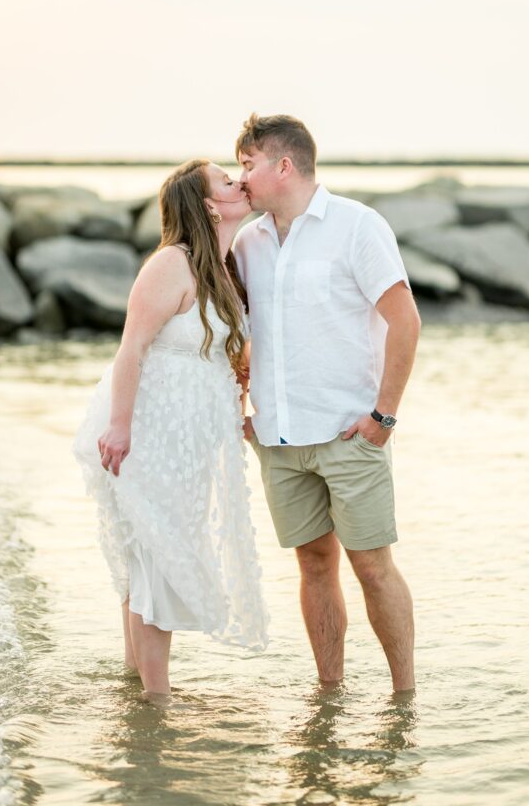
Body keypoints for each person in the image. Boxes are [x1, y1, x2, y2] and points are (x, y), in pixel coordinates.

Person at [234, 113, 420, 692]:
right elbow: (239, 332)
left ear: (283, 165)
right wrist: (243, 403)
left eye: (248, 165)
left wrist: (383, 415)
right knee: (313, 565)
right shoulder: (247, 241)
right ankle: (330, 693)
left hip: (350, 432)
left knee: (371, 566)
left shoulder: (358, 226)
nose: (241, 180)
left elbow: (404, 322)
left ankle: (404, 698)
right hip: (279, 442)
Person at [73, 159, 268, 698]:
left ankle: (137, 691)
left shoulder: (223, 268)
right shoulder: (170, 264)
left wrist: (242, 413)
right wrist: (119, 427)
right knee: (157, 555)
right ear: (208, 205)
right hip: (149, 429)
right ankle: (156, 706)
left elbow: (225, 358)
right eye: (226, 181)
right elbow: (131, 348)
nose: (239, 183)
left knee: (153, 553)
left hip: (190, 437)